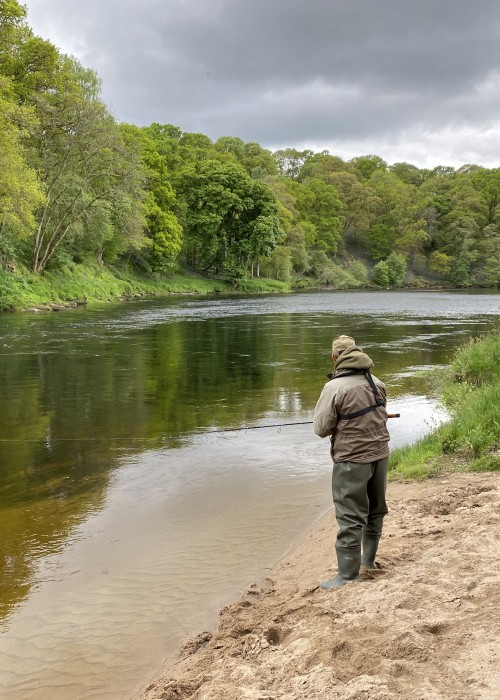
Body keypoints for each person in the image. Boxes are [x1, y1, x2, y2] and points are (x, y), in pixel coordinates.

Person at [313, 335, 390, 589]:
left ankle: (347, 575)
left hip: (351, 460)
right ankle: (369, 562)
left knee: (349, 516)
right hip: (380, 455)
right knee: (375, 510)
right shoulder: (377, 382)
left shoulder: (334, 388)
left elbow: (321, 429)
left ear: (335, 358)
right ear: (357, 352)